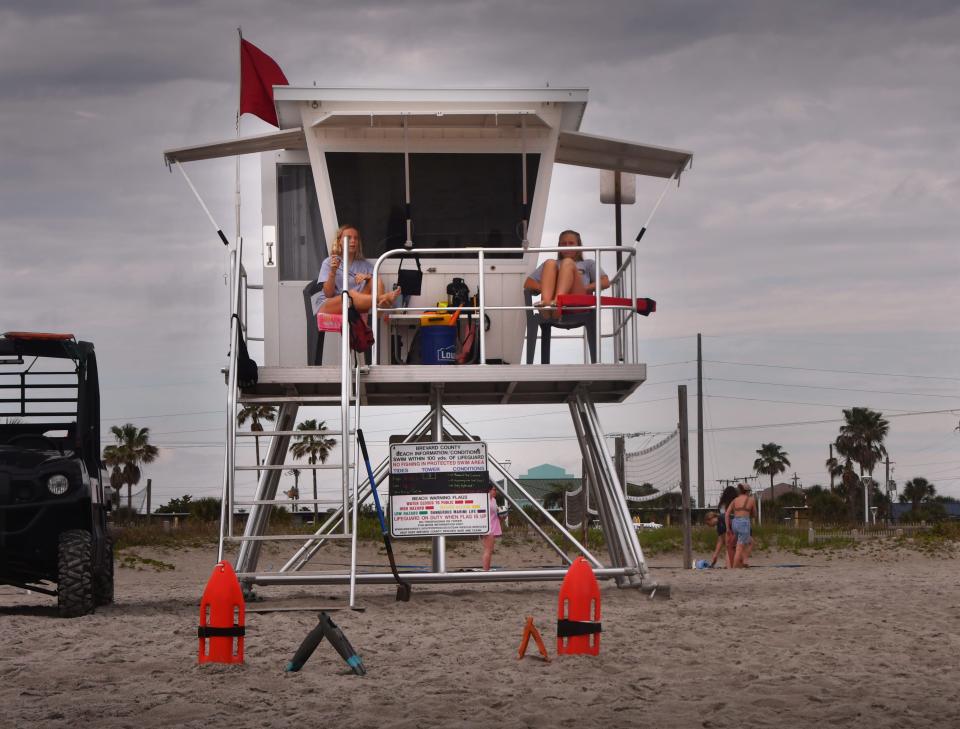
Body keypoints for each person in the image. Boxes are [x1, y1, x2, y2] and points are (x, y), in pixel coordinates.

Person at [312, 225, 401, 315]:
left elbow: (376, 282)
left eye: (356, 238)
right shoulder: (330, 262)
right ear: (339, 241)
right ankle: (382, 299)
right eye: (348, 238)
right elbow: (328, 294)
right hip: (330, 304)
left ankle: (380, 308)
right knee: (350, 295)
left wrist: (367, 277)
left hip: (354, 305)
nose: (353, 241)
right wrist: (333, 272)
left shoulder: (365, 265)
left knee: (375, 280)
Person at [523, 230, 610, 321]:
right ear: (559, 246)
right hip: (552, 303)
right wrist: (548, 287)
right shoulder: (552, 264)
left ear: (578, 246)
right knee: (550, 262)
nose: (567, 246)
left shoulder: (588, 263)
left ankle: (557, 302)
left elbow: (605, 282)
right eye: (563, 244)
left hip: (577, 299)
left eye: (571, 243)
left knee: (567, 263)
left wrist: (586, 288)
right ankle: (547, 304)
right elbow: (528, 283)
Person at [725, 483, 757, 568]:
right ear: (747, 491)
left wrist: (728, 528)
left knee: (748, 542)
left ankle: (743, 562)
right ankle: (735, 568)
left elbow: (727, 514)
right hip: (744, 523)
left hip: (734, 522)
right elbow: (754, 514)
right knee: (739, 547)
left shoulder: (735, 500)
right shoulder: (751, 500)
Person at [709, 485, 740, 568]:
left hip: (727, 526)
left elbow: (724, 516)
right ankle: (735, 564)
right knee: (737, 547)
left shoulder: (723, 505)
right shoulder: (737, 502)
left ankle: (729, 565)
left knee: (728, 547)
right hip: (738, 525)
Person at [481, 485, 502, 571]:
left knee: (489, 550)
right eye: (494, 489)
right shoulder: (484, 500)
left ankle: (486, 570)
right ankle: (486, 571)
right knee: (488, 550)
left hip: (494, 525)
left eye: (496, 489)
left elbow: (496, 514)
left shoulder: (494, 500)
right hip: (487, 527)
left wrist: (502, 514)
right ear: (489, 490)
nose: (495, 491)